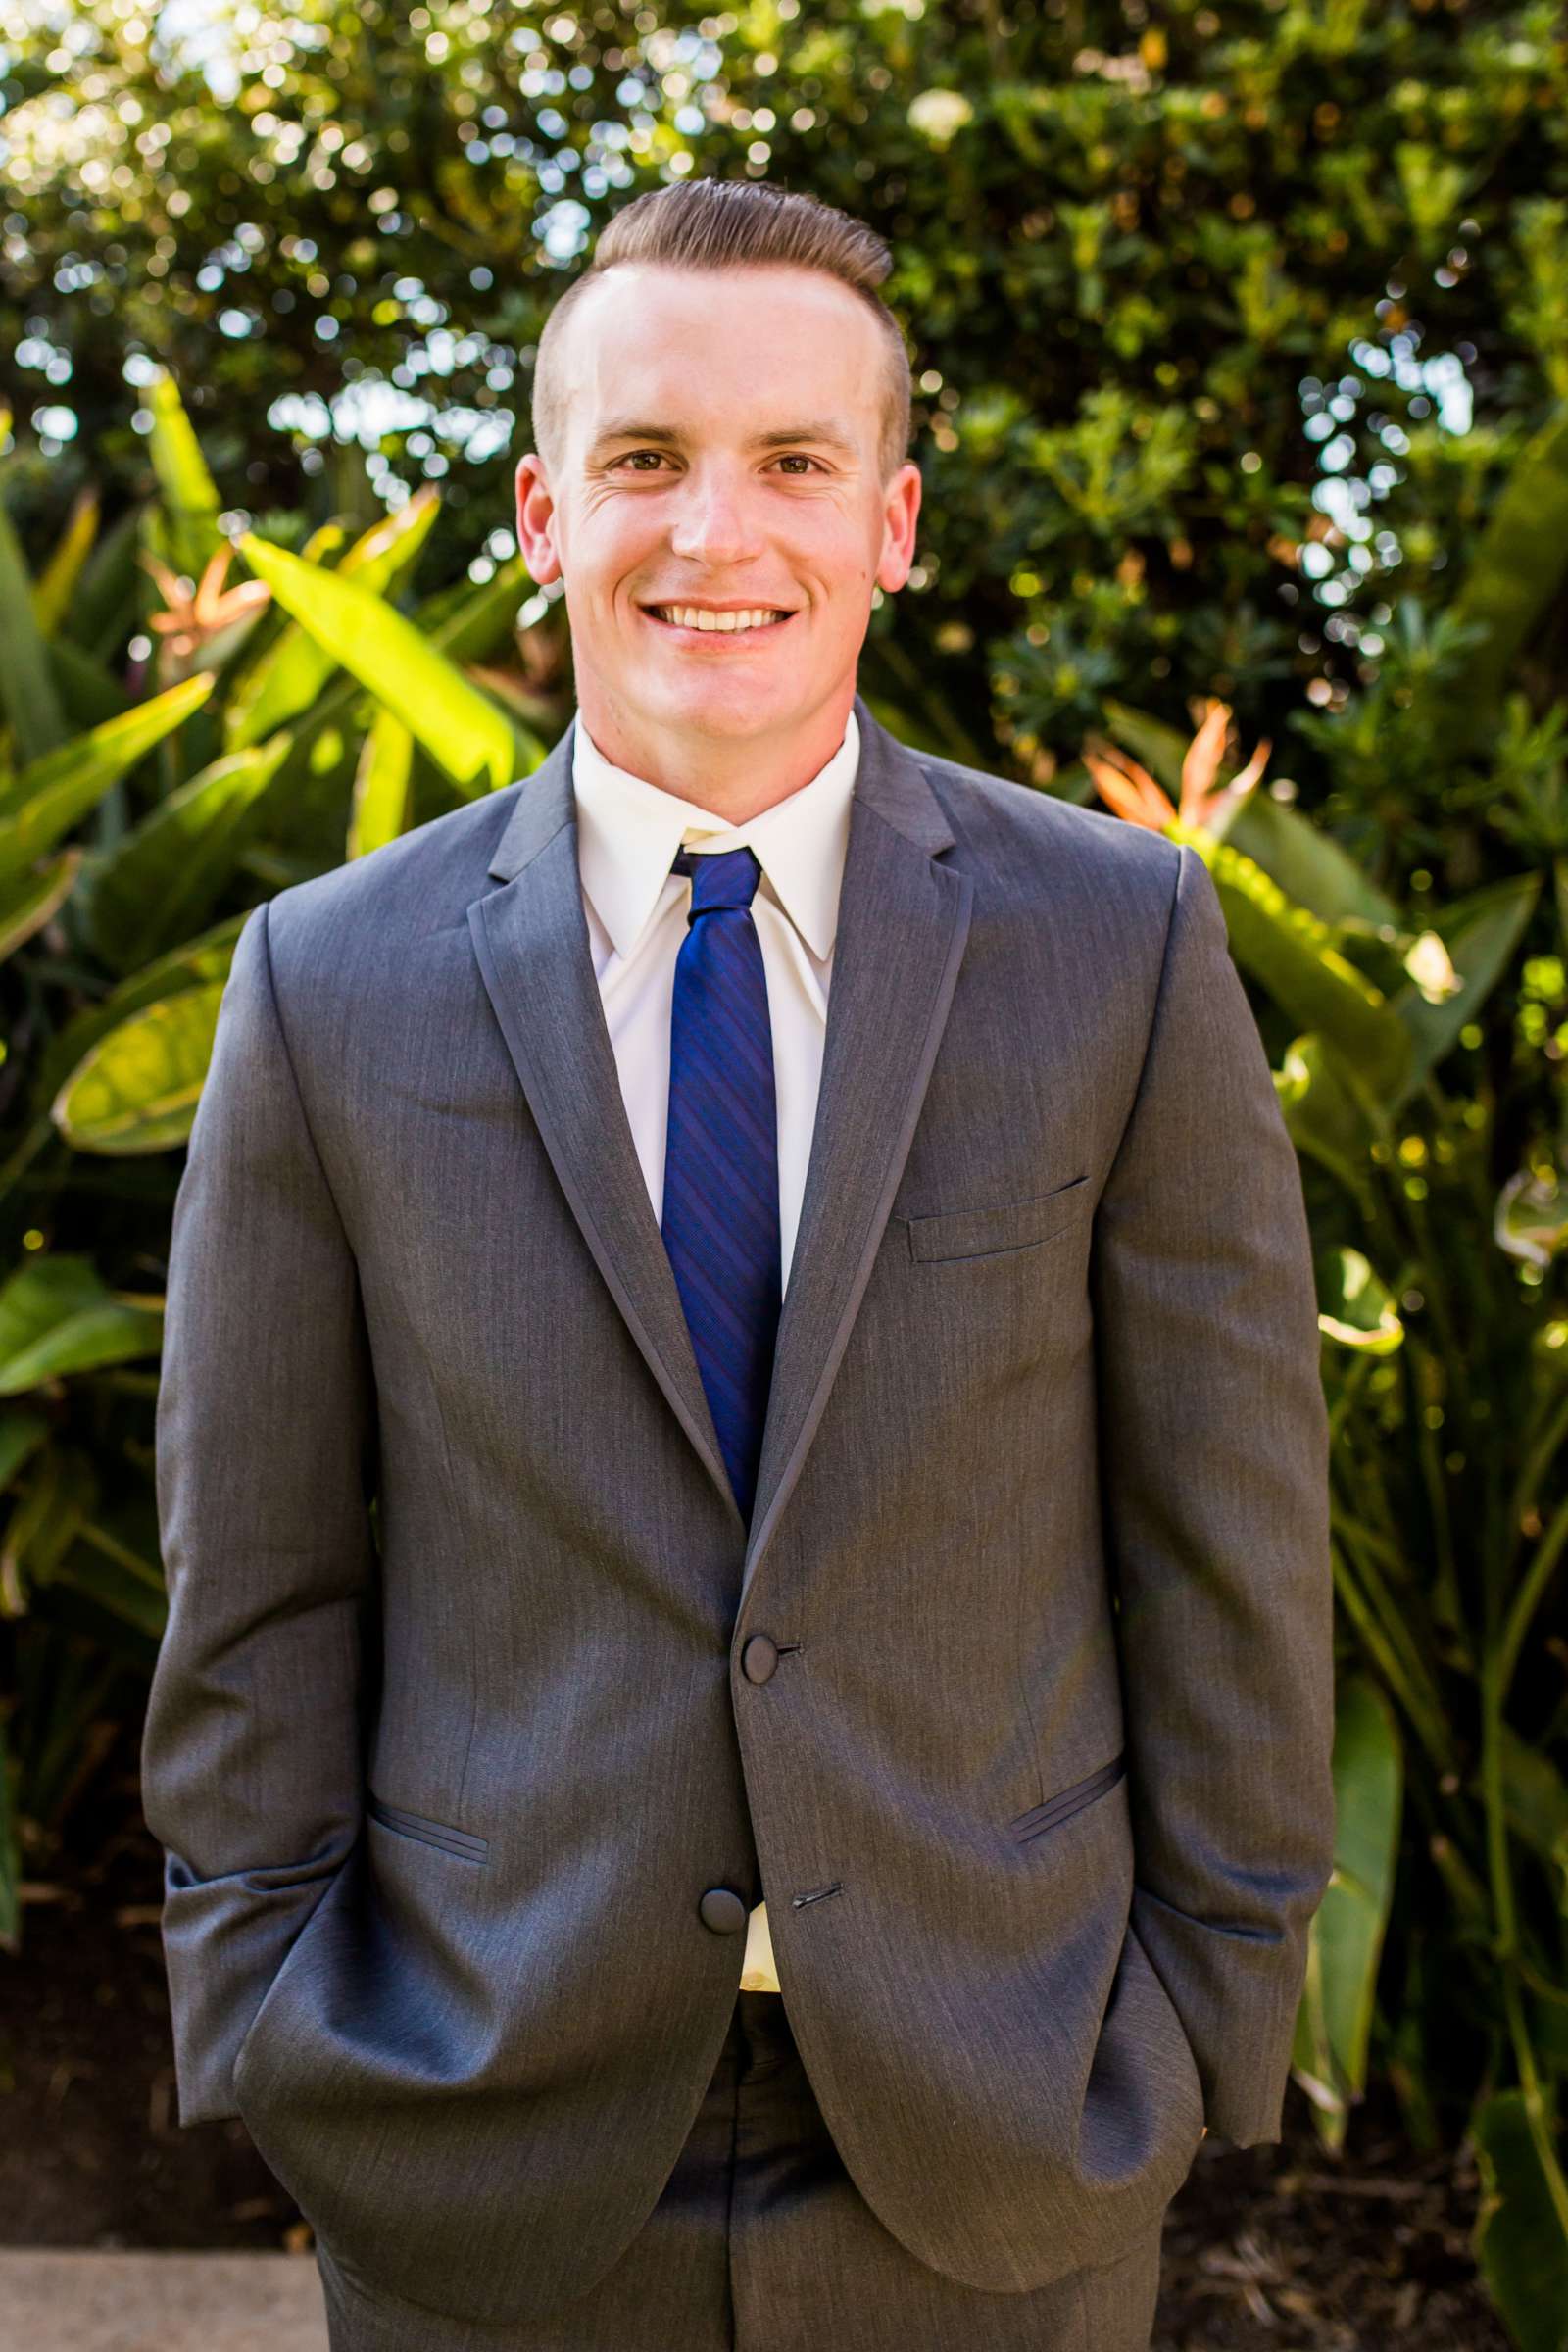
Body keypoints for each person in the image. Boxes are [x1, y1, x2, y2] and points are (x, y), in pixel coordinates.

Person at [141, 176, 1335, 2352]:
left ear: (889, 521)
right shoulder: (327, 983)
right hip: (482, 2136)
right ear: (538, 512)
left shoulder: (1118, 947)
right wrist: (279, 2030)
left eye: (791, 462)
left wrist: (1190, 2034)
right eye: (643, 461)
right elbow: (261, 1584)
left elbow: (1224, 1546)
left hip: (1002, 2126)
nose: (716, 534)